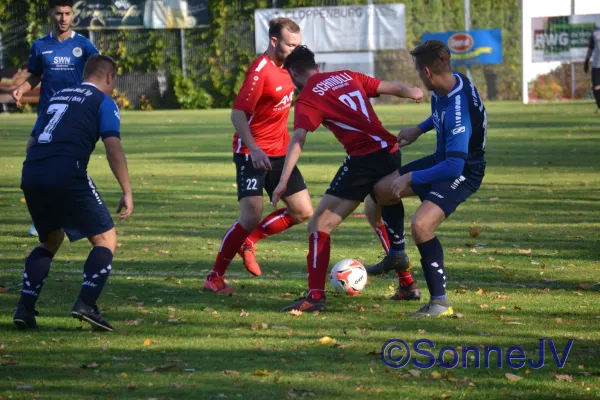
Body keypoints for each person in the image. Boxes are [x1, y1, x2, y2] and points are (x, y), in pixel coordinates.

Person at [271, 45, 424, 312]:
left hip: (365, 160)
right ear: (315, 65)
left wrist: (283, 181)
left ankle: (315, 297)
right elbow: (392, 86)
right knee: (373, 212)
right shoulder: (346, 75)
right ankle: (408, 284)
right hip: (390, 152)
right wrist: (414, 92)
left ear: (294, 72)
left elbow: (298, 137)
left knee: (318, 227)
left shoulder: (308, 97)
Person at [12, 54, 132, 332]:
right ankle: (86, 304)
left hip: (32, 173)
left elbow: (32, 144)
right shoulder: (104, 102)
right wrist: (127, 190)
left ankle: (25, 309)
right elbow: (112, 145)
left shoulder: (58, 97)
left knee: (50, 240)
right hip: (66, 172)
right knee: (105, 240)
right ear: (110, 78)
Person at [370, 40, 487, 318]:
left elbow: (454, 166)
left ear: (427, 72)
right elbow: (441, 113)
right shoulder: (450, 82)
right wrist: (420, 129)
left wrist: (412, 176)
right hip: (442, 157)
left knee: (421, 225)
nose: (419, 79)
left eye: (418, 73)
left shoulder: (459, 105)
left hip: (463, 169)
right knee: (382, 190)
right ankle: (397, 254)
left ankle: (439, 303)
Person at [204, 17, 314, 294]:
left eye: (298, 44)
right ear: (274, 41)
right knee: (251, 215)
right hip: (251, 152)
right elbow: (237, 114)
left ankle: (248, 241)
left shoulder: (292, 68)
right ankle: (214, 277)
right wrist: (254, 149)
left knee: (303, 211)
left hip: (280, 152)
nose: (295, 50)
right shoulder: (260, 72)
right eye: (290, 45)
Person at [12, 0, 99, 236]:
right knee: (34, 159)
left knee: (70, 165)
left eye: (68, 14)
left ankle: (79, 216)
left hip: (75, 116)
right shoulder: (40, 45)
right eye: (59, 13)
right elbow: (36, 75)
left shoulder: (84, 45)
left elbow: (99, 73)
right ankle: (42, 219)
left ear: (73, 15)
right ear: (51, 14)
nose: (63, 18)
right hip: (47, 116)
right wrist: (21, 88)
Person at [584, 26, 600, 112]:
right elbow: (591, 48)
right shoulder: (595, 32)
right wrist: (586, 60)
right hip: (597, 64)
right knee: (596, 87)